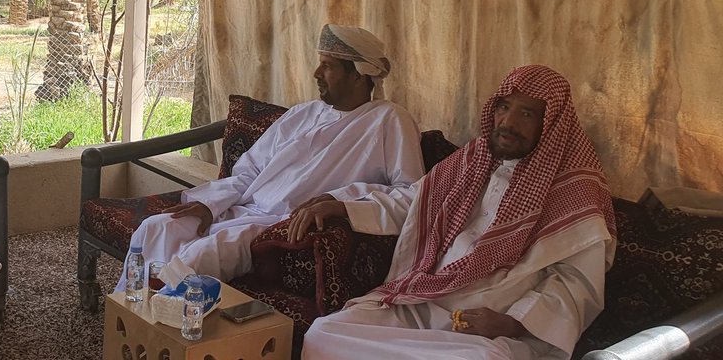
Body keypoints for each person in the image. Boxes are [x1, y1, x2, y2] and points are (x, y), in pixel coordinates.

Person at [300, 65, 617, 360]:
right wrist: (344, 206)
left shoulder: (575, 190)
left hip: (488, 329)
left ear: (551, 124)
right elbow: (415, 201)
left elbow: (576, 283)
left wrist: (513, 322)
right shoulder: (475, 157)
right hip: (424, 300)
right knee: (324, 332)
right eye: (504, 108)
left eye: (526, 114)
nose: (508, 123)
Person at [116, 24, 425, 288]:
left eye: (328, 66)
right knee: (156, 228)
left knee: (196, 260)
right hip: (241, 208)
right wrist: (212, 204)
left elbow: (412, 196)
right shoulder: (304, 113)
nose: (317, 73)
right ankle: (129, 319)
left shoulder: (389, 120)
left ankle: (160, 326)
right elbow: (249, 169)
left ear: (358, 75)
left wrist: (342, 204)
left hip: (276, 224)